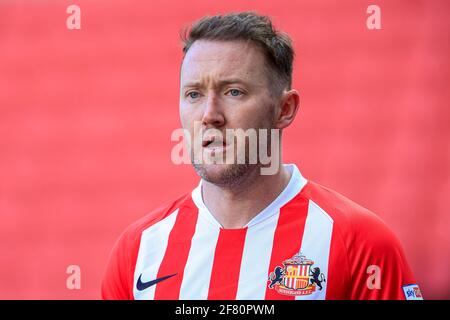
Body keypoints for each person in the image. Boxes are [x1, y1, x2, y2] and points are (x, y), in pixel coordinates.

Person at [101, 12, 422, 300]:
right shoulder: (140, 251)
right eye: (194, 94)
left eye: (234, 92)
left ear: (284, 109)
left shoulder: (360, 243)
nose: (209, 115)